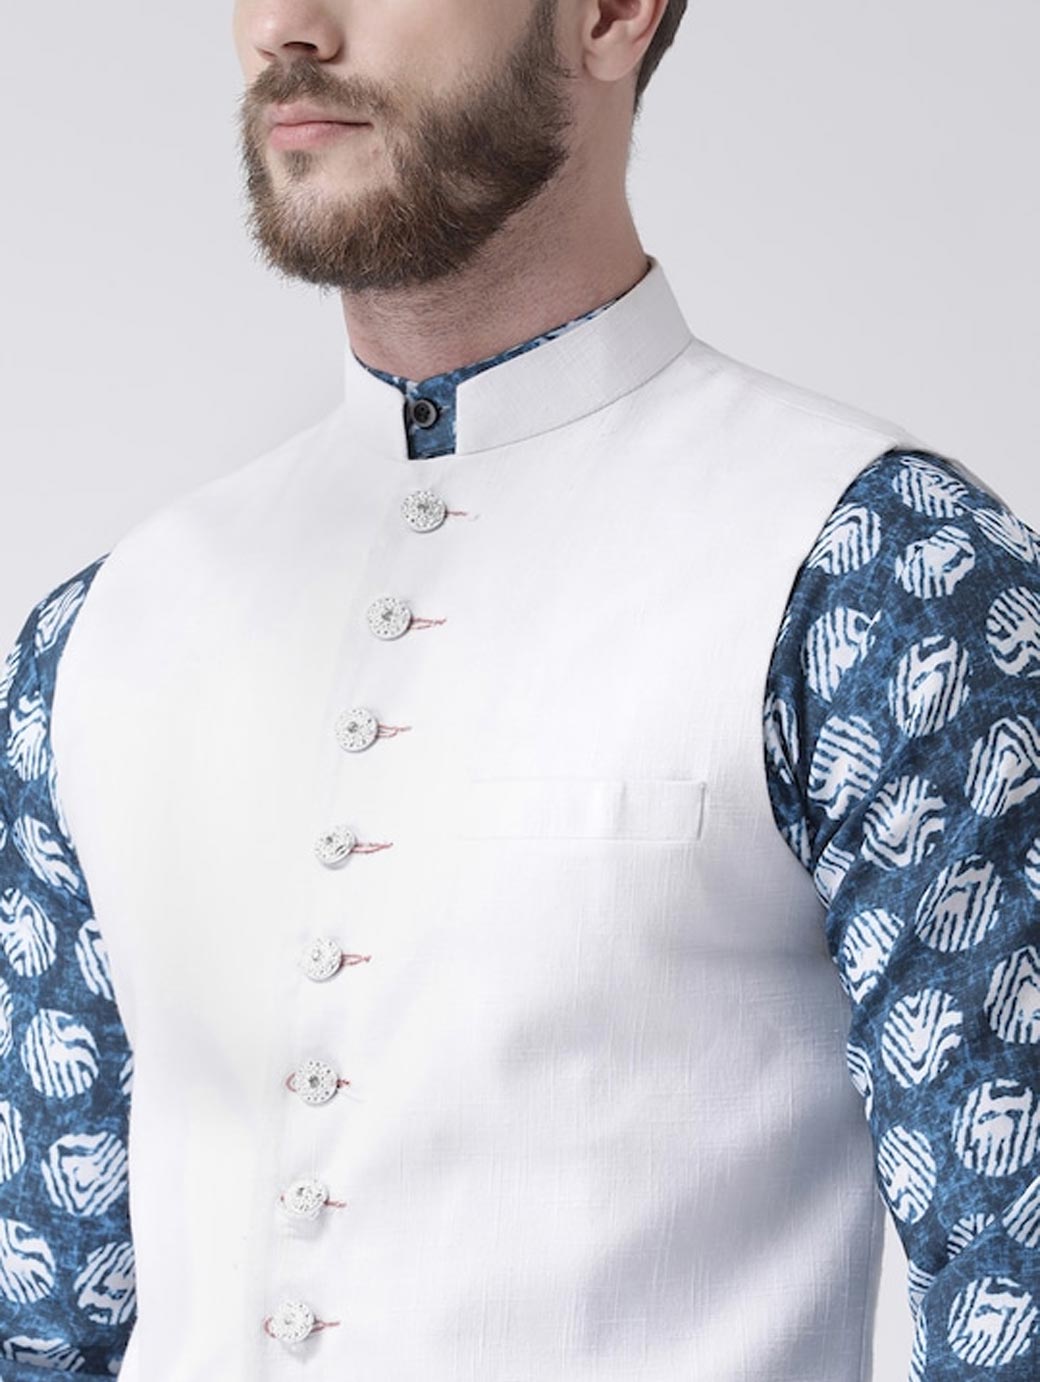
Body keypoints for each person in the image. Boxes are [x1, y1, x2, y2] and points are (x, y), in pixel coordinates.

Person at [1, 0, 1037, 1376]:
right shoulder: (99, 633)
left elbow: (1013, 1291)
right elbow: (44, 1319)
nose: (289, 28)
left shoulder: (880, 574)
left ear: (610, 15)